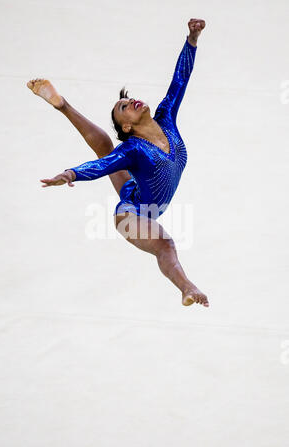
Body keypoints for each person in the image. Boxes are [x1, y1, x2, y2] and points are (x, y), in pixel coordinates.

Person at [27, 18, 209, 307]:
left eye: (129, 99)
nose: (131, 101)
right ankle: (187, 287)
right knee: (166, 245)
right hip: (131, 214)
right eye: (124, 107)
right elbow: (101, 166)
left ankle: (62, 104)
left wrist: (192, 40)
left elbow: (179, 80)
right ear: (126, 127)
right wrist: (70, 173)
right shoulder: (132, 149)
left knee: (107, 153)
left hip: (137, 194)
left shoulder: (166, 117)